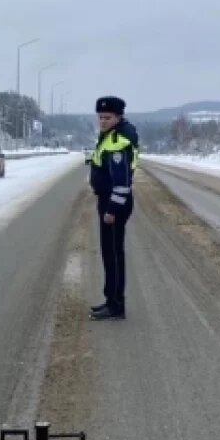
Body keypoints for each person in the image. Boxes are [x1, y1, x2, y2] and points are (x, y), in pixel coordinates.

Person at [88, 95, 139, 320]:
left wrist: (111, 210)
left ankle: (116, 305)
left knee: (113, 256)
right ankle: (111, 300)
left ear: (118, 117)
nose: (103, 121)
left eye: (107, 117)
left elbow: (122, 182)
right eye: (100, 117)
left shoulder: (118, 141)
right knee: (110, 254)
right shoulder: (110, 136)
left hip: (114, 203)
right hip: (109, 200)